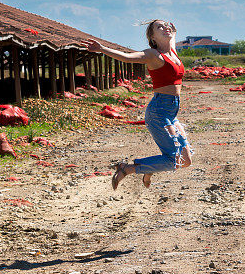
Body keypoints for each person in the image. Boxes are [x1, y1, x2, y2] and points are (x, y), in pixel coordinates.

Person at [81, 20, 193, 190]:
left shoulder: (172, 52)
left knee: (186, 160)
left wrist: (171, 28)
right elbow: (127, 57)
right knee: (174, 159)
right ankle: (127, 169)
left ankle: (149, 169)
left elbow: (172, 33)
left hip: (171, 113)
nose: (165, 28)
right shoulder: (152, 55)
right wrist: (102, 49)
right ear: (152, 37)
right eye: (159, 27)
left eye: (166, 25)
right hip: (159, 113)